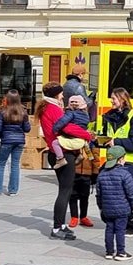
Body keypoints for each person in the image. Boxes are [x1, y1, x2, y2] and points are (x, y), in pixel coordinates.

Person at [37, 82, 93, 240]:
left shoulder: (47, 107)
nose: (63, 96)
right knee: (65, 191)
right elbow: (66, 128)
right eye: (61, 93)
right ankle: (56, 228)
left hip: (56, 150)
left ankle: (61, 225)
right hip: (63, 151)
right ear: (56, 94)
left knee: (66, 189)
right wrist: (86, 134)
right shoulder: (53, 108)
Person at [98, 87, 133, 235]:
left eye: (114, 98)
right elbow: (107, 136)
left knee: (128, 194)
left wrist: (116, 141)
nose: (111, 101)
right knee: (114, 194)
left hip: (129, 162)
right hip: (113, 161)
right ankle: (119, 223)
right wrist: (98, 140)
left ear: (123, 100)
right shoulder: (109, 117)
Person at [95, 146, 133, 261]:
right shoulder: (125, 174)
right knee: (120, 230)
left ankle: (109, 252)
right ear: (120, 160)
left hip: (107, 209)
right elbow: (131, 193)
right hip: (122, 209)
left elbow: (98, 194)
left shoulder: (102, 175)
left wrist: (101, 207)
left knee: (109, 229)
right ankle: (121, 252)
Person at [0, 89, 30, 196]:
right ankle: (13, 190)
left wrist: (0, 135)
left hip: (7, 140)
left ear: (7, 99)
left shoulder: (3, 112)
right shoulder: (23, 112)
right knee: (15, 165)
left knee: (1, 164)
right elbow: (27, 128)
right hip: (19, 141)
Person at [49, 94, 91, 169]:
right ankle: (79, 154)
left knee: (55, 143)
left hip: (72, 136)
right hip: (81, 138)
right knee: (75, 142)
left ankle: (60, 159)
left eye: (75, 102)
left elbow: (62, 121)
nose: (74, 103)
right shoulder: (86, 115)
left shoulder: (71, 113)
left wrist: (55, 129)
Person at [69, 144, 100, 228]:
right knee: (72, 196)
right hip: (74, 172)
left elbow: (95, 159)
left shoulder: (91, 144)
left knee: (85, 197)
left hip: (87, 173)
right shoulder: (74, 142)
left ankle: (83, 217)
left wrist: (95, 173)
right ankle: (74, 217)